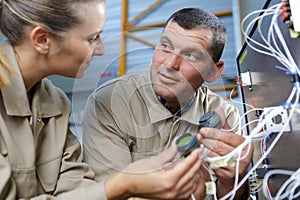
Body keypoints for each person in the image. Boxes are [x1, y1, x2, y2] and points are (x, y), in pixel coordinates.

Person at [0, 0, 204, 199]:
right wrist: (123, 185)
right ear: (42, 40)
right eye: (92, 38)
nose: (101, 50)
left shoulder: (55, 103)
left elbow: (73, 185)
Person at [82, 7, 254, 199]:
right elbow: (114, 193)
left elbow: (228, 196)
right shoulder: (108, 103)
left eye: (190, 55)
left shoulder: (224, 116)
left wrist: (232, 181)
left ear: (213, 71)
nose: (170, 64)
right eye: (165, 46)